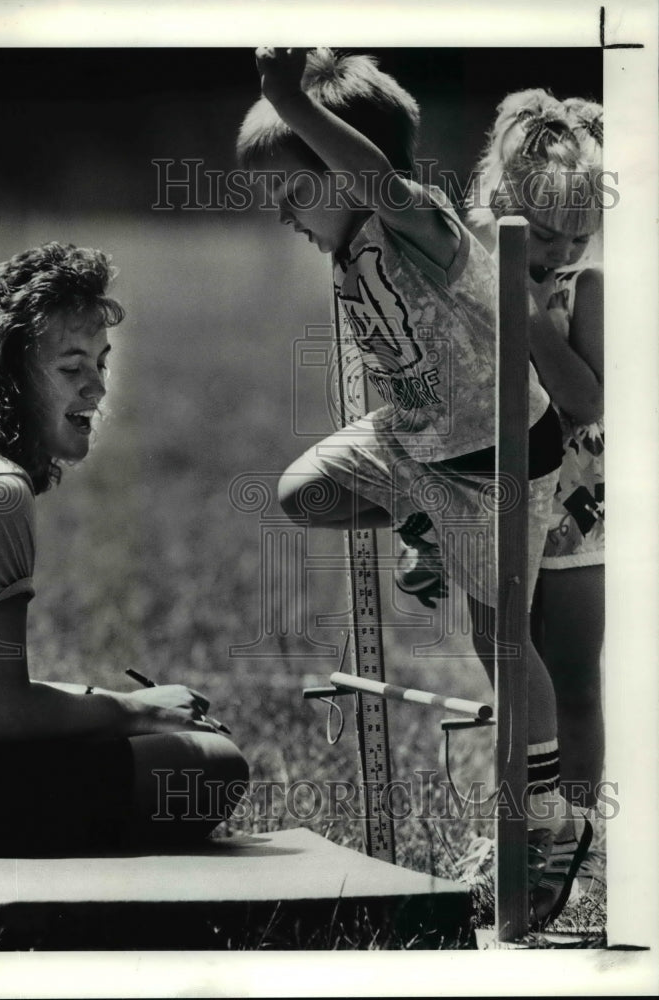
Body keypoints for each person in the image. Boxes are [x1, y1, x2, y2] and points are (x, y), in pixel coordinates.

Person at [237, 47, 589, 928]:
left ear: (345, 161)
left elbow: (370, 173)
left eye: (291, 194)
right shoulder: (349, 244)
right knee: (301, 491)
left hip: (498, 457)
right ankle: (421, 525)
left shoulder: (411, 220)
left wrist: (287, 94)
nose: (283, 216)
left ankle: (542, 821)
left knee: (501, 640)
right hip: (411, 446)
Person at [0, 242, 248, 858]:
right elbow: (3, 713)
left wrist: (99, 707)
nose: (97, 388)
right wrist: (136, 710)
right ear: (7, 372)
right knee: (210, 766)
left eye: (102, 363)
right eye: (70, 367)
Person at [467, 90, 604, 815]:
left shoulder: (584, 290)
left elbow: (584, 401)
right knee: (514, 665)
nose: (561, 253)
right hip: (498, 492)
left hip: (576, 506)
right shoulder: (468, 285)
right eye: (547, 235)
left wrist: (529, 315)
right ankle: (527, 827)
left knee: (576, 675)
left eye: (578, 236)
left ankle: (582, 842)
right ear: (499, 206)